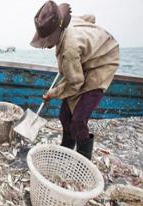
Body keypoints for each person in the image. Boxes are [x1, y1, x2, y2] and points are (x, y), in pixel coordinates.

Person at [30, 1, 119, 159]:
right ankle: (66, 150)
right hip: (85, 60)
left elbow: (75, 83)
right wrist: (89, 39)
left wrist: (52, 93)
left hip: (102, 63)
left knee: (78, 121)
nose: (44, 44)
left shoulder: (69, 50)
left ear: (57, 32)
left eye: (46, 39)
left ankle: (84, 161)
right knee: (65, 115)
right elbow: (90, 18)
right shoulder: (65, 23)